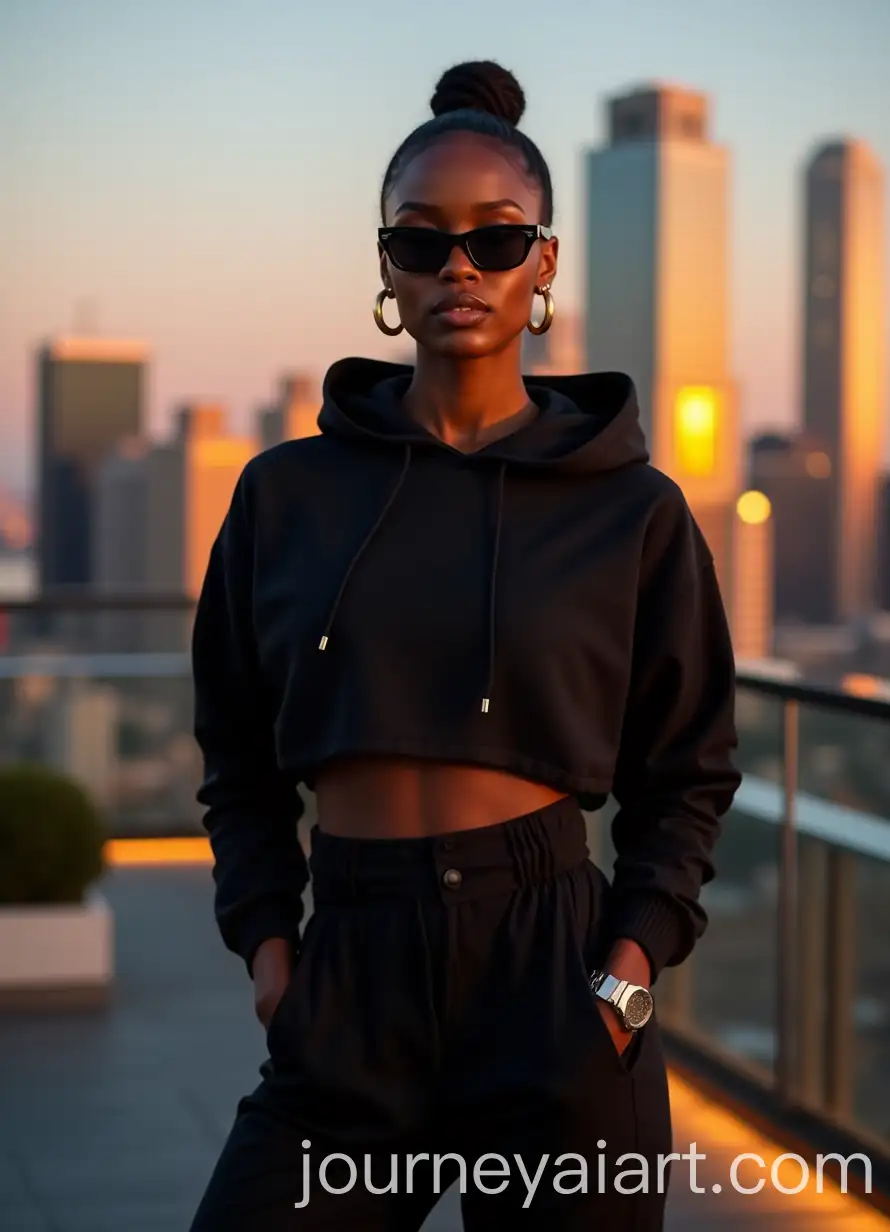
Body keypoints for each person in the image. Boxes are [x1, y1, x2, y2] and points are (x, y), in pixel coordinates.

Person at [188, 59, 741, 1232]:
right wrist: (272, 951)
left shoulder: (631, 509)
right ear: (383, 264)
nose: (458, 267)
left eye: (496, 241)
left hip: (551, 971)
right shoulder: (285, 495)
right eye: (421, 240)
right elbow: (235, 751)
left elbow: (686, 772)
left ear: (543, 262)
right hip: (350, 968)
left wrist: (624, 979)